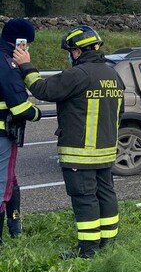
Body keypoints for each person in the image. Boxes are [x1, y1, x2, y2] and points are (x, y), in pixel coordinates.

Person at [14, 25, 125, 258]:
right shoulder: (113, 75)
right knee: (106, 195)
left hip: (79, 153)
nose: (70, 55)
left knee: (85, 200)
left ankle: (88, 252)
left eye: (70, 51)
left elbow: (42, 89)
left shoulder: (78, 75)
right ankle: (108, 244)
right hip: (106, 152)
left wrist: (25, 64)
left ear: (77, 51)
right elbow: (120, 111)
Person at [0, 19, 42, 244]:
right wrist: (37, 113)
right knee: (2, 185)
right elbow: (20, 107)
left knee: (10, 180)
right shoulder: (7, 63)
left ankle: (15, 226)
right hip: (3, 135)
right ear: (19, 42)